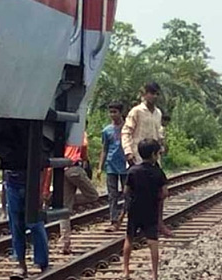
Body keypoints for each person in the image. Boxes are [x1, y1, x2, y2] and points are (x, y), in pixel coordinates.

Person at [122, 82, 173, 236]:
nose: (153, 96)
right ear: (144, 94)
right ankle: (133, 224)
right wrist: (128, 152)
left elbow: (159, 132)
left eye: (156, 93)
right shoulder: (136, 111)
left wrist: (162, 146)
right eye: (151, 92)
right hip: (137, 158)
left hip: (154, 158)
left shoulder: (157, 113)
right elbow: (126, 132)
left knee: (159, 192)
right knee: (135, 193)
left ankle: (159, 223)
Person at [122, 139, 168, 280]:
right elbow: (164, 192)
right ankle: (154, 274)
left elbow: (126, 191)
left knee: (129, 238)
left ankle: (126, 270)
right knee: (152, 241)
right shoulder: (158, 172)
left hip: (135, 209)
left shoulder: (133, 170)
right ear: (154, 154)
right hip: (151, 210)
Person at [59, 131, 99, 254]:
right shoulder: (80, 133)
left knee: (65, 209)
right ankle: (68, 202)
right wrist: (85, 158)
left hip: (61, 169)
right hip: (75, 167)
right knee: (93, 195)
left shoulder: (61, 134)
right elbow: (85, 145)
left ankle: (65, 244)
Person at [4, 169, 49, 278]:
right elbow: (4, 169)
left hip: (32, 187)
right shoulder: (9, 153)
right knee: (16, 226)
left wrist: (41, 191)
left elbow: (43, 169)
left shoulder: (34, 151)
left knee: (36, 225)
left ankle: (42, 263)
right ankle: (21, 264)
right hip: (12, 186)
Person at [98, 102, 127, 231]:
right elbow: (104, 149)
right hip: (111, 165)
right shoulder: (106, 130)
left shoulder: (128, 128)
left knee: (128, 193)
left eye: (115, 112)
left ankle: (125, 216)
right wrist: (100, 167)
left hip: (126, 164)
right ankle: (114, 220)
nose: (113, 115)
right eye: (111, 112)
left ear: (121, 112)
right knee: (112, 194)